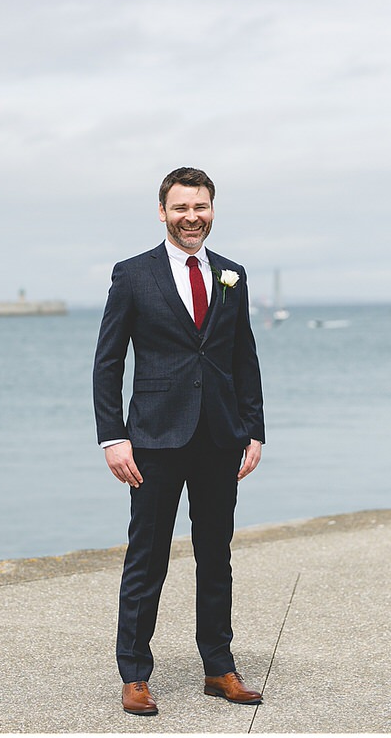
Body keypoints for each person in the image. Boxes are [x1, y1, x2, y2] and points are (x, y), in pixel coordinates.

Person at [93, 167, 266, 716]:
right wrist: (113, 437)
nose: (192, 217)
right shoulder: (133, 275)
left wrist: (254, 428)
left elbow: (244, 356)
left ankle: (219, 666)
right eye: (181, 208)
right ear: (162, 211)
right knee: (148, 557)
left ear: (213, 210)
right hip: (153, 439)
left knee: (217, 555)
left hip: (220, 436)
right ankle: (135, 674)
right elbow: (108, 362)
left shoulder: (231, 274)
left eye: (202, 207)